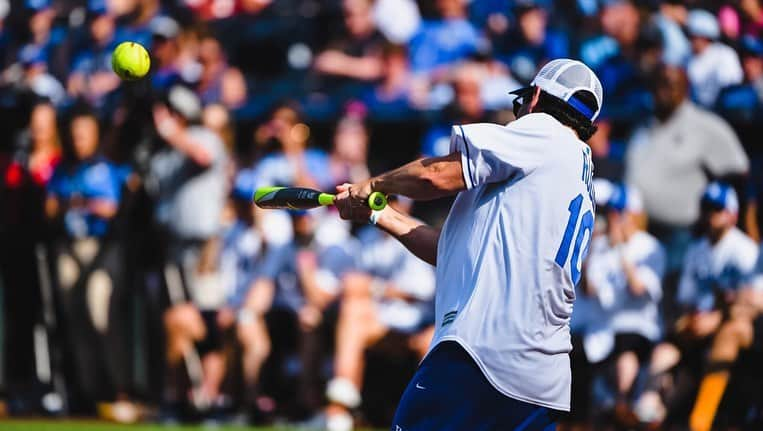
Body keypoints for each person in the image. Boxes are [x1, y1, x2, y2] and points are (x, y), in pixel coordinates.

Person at [334, 58, 603, 430]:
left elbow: (436, 175)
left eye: (521, 104)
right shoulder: (574, 172)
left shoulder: (543, 132)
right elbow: (450, 252)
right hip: (543, 377)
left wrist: (374, 184)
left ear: (536, 97)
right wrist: (380, 214)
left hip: (486, 354)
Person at [634, 182, 759, 428]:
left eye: (717, 209)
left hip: (730, 325)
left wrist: (718, 317)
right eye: (707, 208)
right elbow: (686, 300)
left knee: (726, 335)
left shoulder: (745, 249)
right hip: (699, 325)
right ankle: (649, 412)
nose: (711, 215)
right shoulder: (696, 250)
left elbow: (753, 301)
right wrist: (690, 322)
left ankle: (697, 421)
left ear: (732, 214)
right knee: (666, 350)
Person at [45, 107, 134, 415]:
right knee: (71, 316)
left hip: (101, 249)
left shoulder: (105, 168)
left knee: (99, 309)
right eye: (74, 132)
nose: (78, 138)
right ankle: (83, 390)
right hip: (70, 247)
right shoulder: (64, 170)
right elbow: (52, 207)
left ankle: (117, 389)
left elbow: (110, 207)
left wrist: (81, 203)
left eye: (84, 132)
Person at [324, 197, 435, 431]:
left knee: (354, 310)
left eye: (395, 199)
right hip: (382, 319)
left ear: (407, 205)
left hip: (416, 323)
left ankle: (423, 420)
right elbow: (356, 286)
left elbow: (421, 293)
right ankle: (340, 406)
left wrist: (374, 287)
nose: (389, 204)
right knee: (350, 309)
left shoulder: (418, 231)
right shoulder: (368, 237)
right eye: (384, 199)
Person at [625, 65, 748, 271]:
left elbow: (738, 175)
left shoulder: (706, 126)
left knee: (675, 296)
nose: (662, 90)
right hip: (639, 229)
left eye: (670, 84)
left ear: (686, 89)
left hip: (682, 235)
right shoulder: (643, 124)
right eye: (658, 83)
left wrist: (713, 220)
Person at [584, 184, 665, 425]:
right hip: (604, 325)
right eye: (612, 213)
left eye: (620, 213)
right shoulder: (601, 247)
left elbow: (639, 288)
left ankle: (622, 403)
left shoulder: (650, 246)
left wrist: (620, 248)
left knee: (626, 343)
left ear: (635, 215)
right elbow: (590, 290)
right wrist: (590, 249)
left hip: (641, 326)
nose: (614, 218)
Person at [685, 9, 743, 108]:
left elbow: (730, 86)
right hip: (695, 110)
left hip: (720, 110)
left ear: (705, 37)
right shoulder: (687, 58)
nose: (691, 41)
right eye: (690, 37)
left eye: (694, 37)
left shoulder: (724, 55)